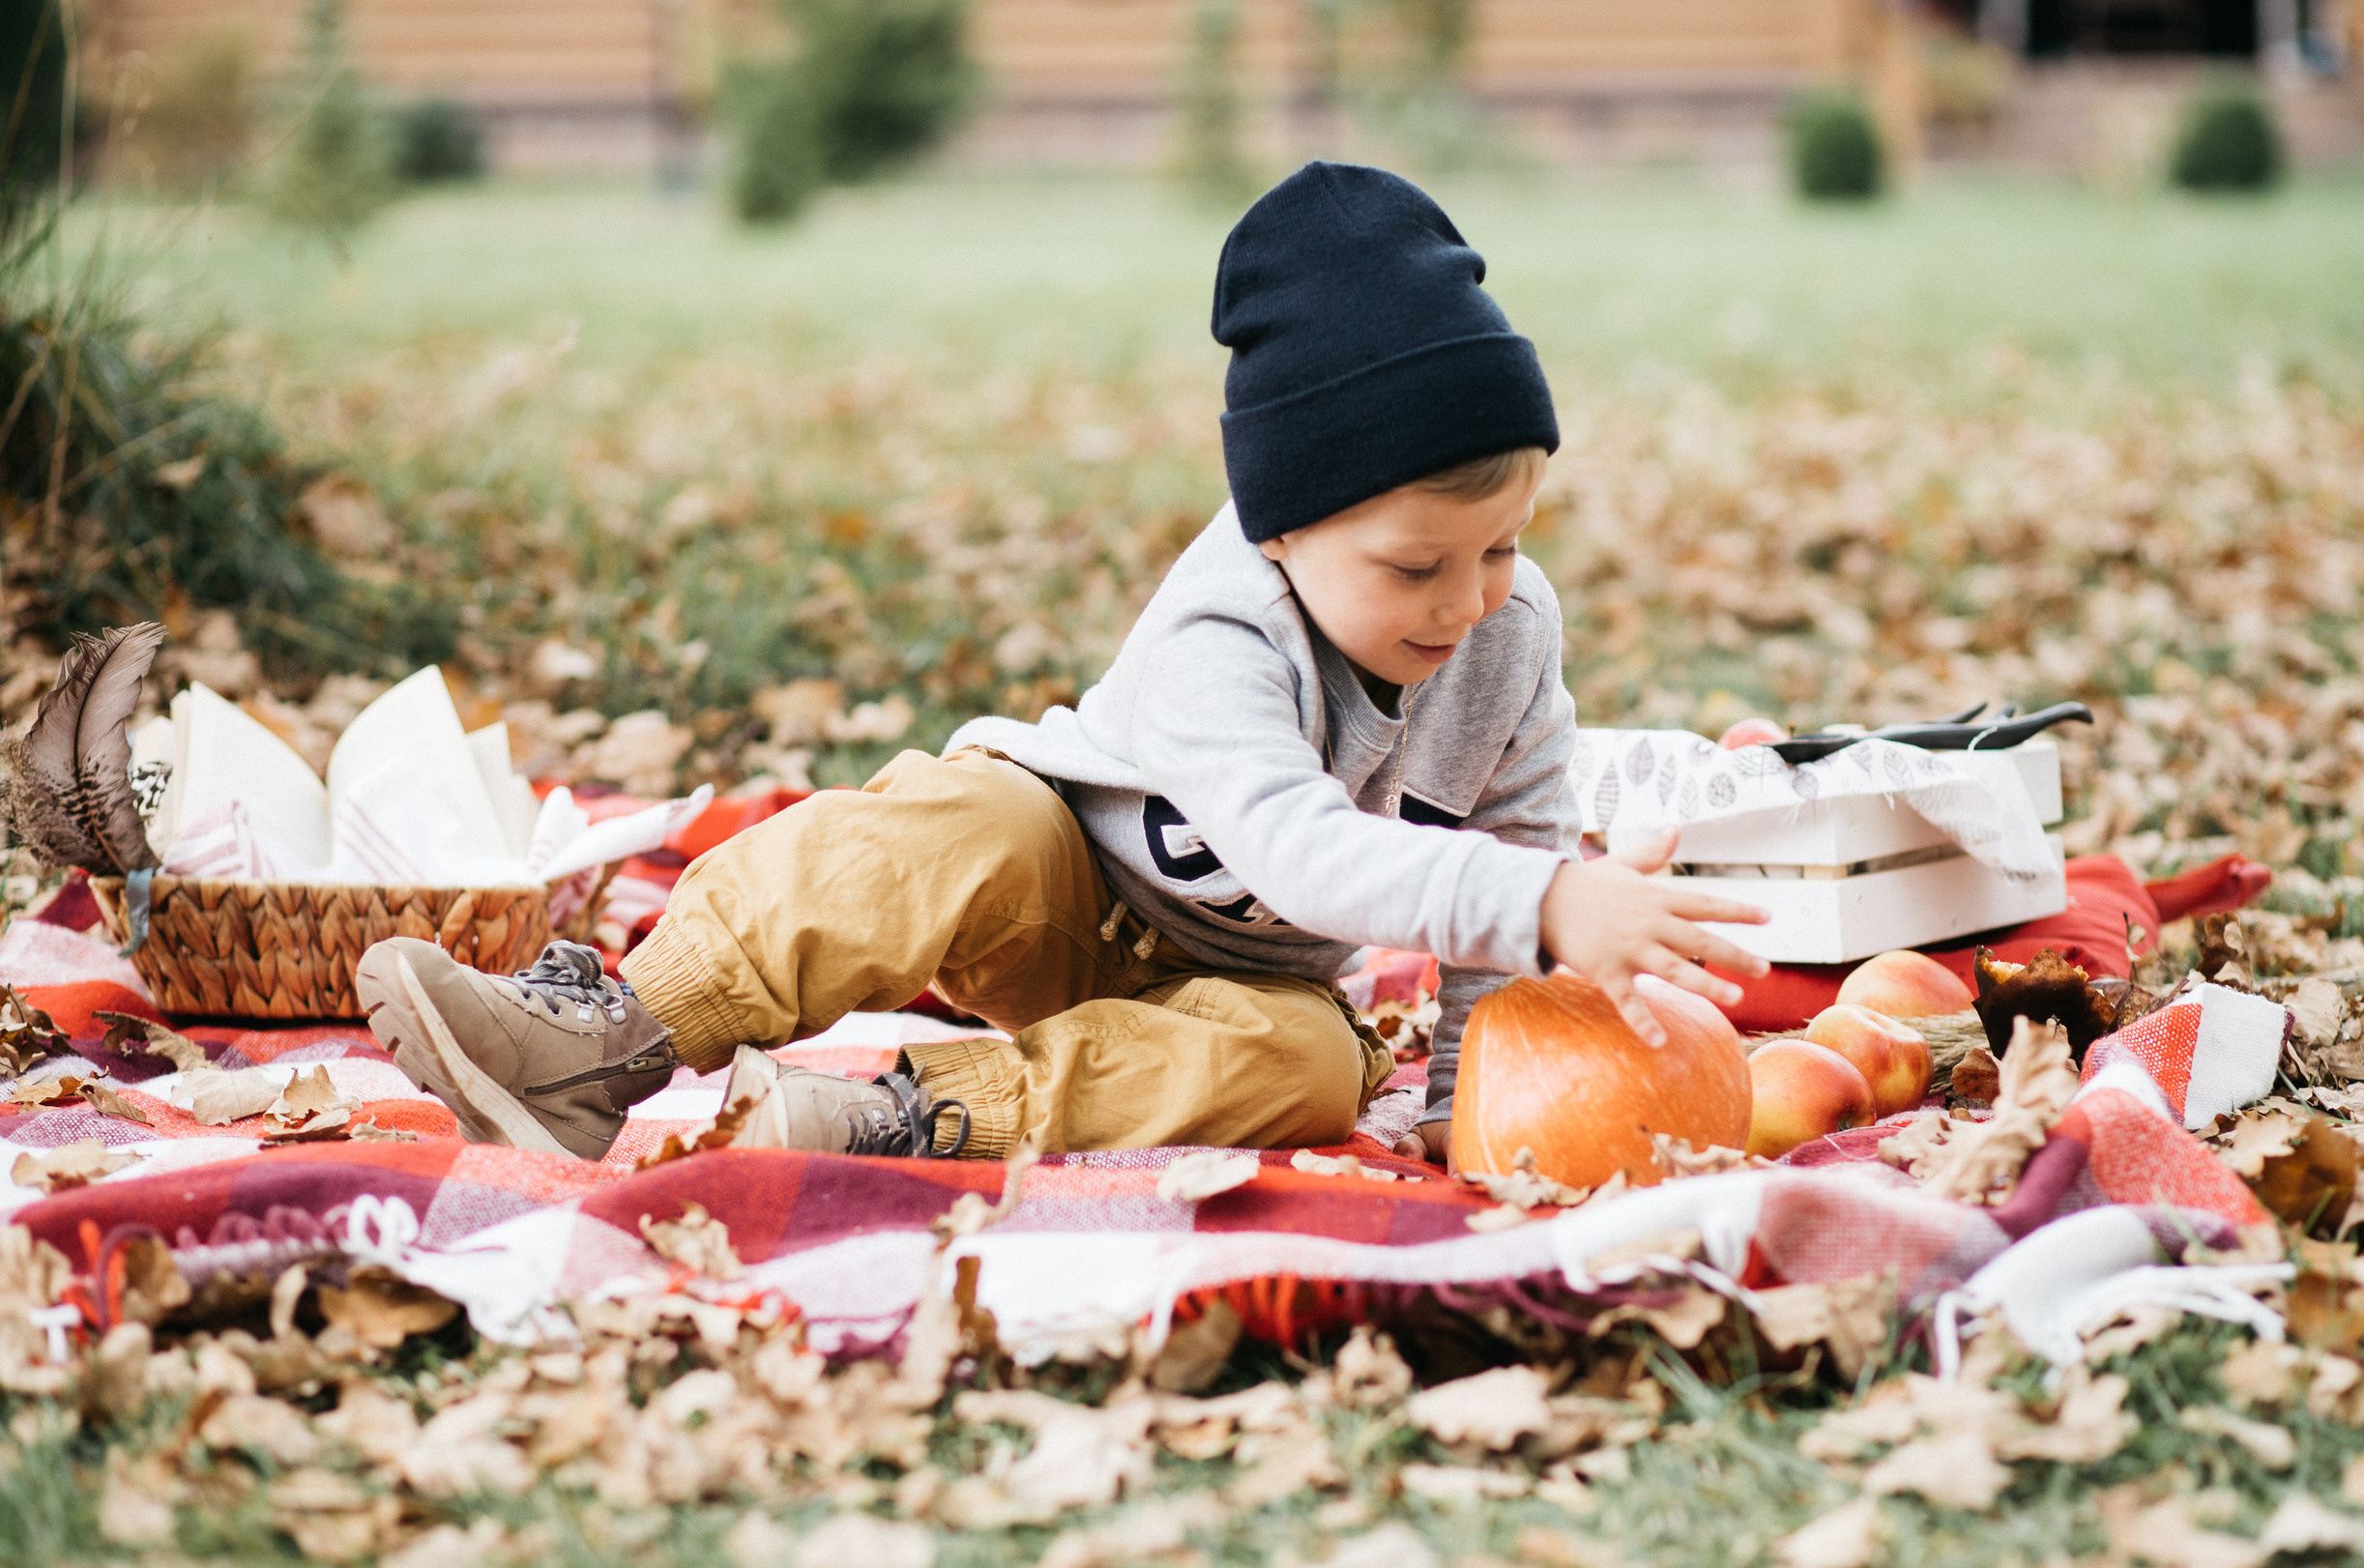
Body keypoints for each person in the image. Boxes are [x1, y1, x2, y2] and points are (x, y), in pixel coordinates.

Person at [356, 161, 1769, 1170]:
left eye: (1504, 547)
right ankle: (605, 1038)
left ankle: (896, 1118)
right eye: (1416, 567)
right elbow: (1303, 853)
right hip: (1060, 889)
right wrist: (1547, 900)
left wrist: (1481, 1095)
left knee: (1318, 1064)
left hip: (1237, 985)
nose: (1469, 602)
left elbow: (1510, 860)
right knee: (954, 826)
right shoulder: (1221, 630)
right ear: (1282, 526)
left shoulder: (1509, 647)